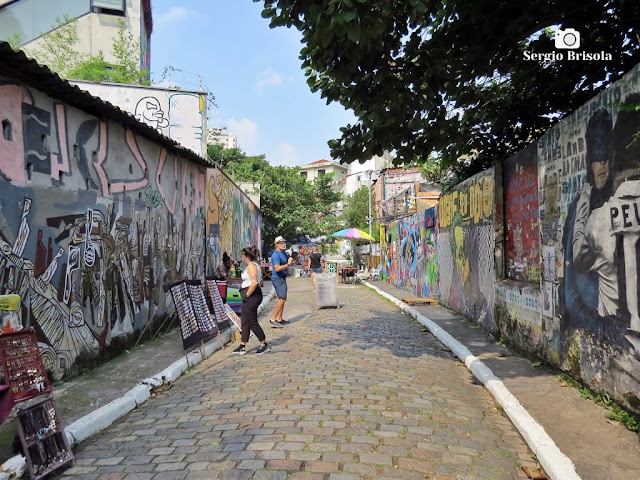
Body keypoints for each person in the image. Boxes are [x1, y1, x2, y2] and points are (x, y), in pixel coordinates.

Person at [233, 246, 270, 355]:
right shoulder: (252, 265)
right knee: (244, 320)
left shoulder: (252, 266)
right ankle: (242, 344)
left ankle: (264, 343)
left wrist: (247, 294)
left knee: (251, 321)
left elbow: (254, 282)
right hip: (249, 296)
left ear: (248, 256)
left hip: (252, 296)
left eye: (243, 256)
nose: (242, 258)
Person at [269, 236, 294, 328]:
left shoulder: (284, 253)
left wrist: (292, 260)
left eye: (284, 242)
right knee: (282, 298)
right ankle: (273, 319)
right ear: (277, 245)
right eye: (281, 243)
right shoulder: (275, 255)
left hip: (283, 278)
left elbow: (289, 262)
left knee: (283, 298)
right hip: (277, 278)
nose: (283, 244)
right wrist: (287, 264)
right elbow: (277, 268)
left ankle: (280, 318)